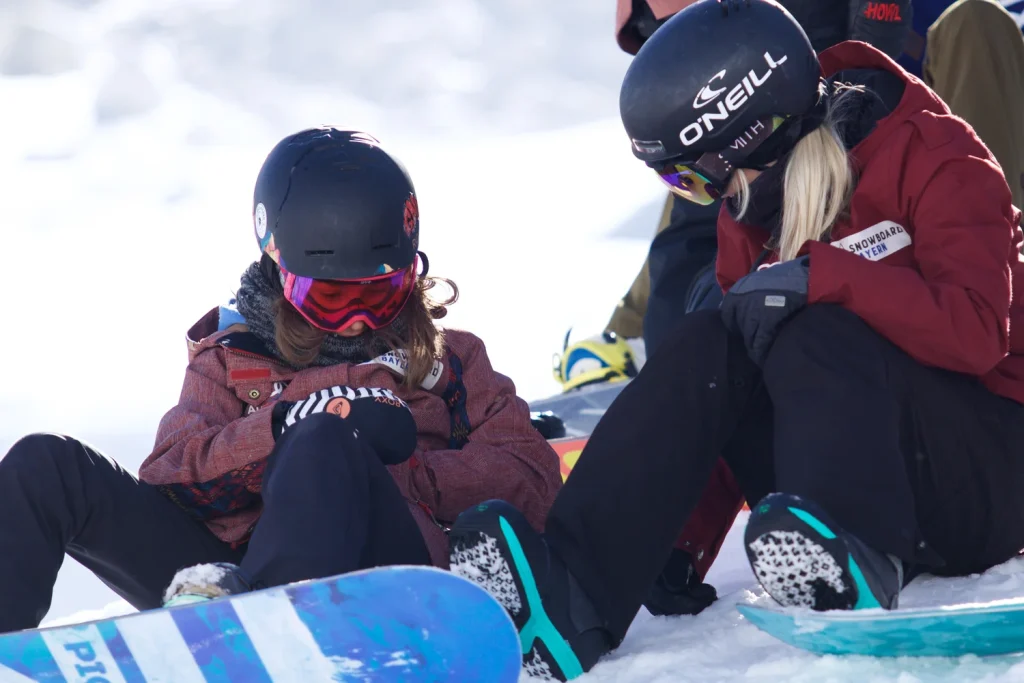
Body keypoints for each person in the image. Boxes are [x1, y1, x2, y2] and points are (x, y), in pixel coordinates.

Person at [447, 1, 1024, 680]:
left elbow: (978, 331)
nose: (700, 193)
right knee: (711, 338)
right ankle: (573, 596)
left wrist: (824, 279)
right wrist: (676, 535)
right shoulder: (749, 214)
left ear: (750, 136)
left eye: (692, 175)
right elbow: (727, 392)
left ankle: (857, 548)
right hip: (833, 495)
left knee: (813, 326)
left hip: (983, 475)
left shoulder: (935, 154)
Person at [0, 127, 562, 631]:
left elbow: (534, 479)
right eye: (331, 297)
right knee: (46, 464)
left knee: (324, 438)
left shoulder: (452, 360)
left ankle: (261, 625)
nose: (359, 319)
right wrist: (281, 426)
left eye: (380, 294)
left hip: (382, 575)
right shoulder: (230, 357)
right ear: (281, 271)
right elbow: (171, 476)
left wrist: (394, 469)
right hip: (216, 586)